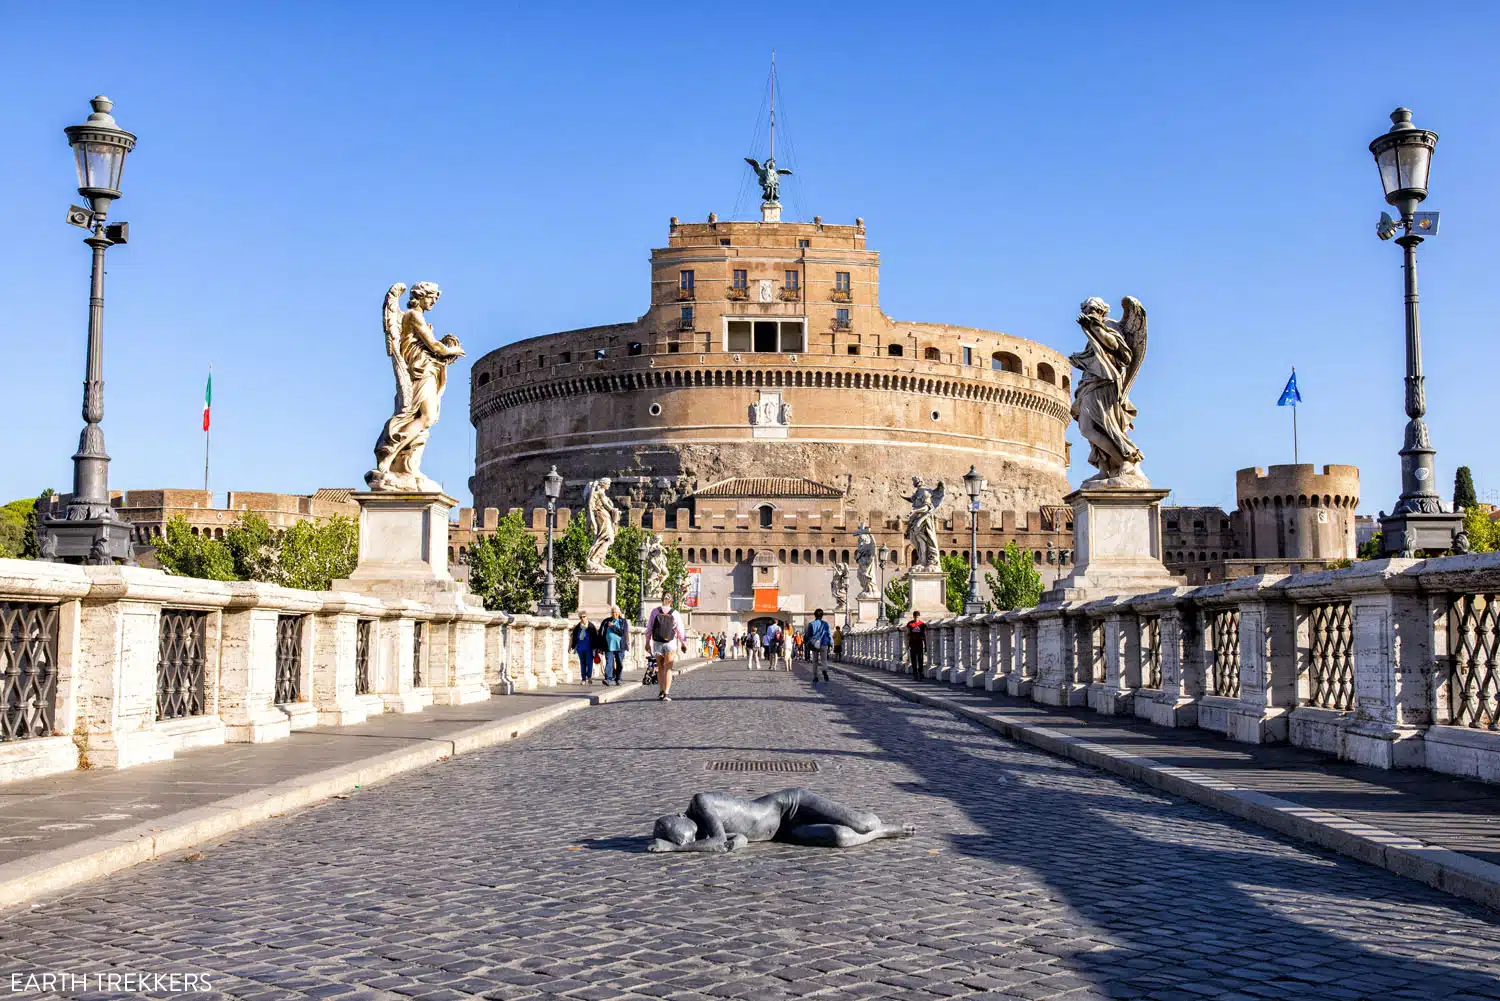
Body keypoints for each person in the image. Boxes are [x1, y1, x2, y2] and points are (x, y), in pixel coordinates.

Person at [649, 788, 915, 853]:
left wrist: (675, 849)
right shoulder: (700, 832)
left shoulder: (701, 802)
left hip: (789, 804)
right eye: (689, 838)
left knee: (862, 824)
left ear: (681, 815)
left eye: (690, 833)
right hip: (779, 832)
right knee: (841, 838)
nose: (694, 836)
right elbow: (737, 840)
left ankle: (882, 826)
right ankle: (882, 833)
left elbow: (719, 842)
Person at [646, 594, 687, 702]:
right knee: (668, 668)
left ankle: (661, 690)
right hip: (670, 642)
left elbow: (649, 628)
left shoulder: (655, 611)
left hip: (657, 642)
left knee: (660, 667)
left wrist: (647, 642)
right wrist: (683, 643)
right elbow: (680, 630)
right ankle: (666, 693)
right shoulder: (675, 613)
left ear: (661, 599)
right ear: (671, 601)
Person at [570, 611, 603, 684]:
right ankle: (583, 679)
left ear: (587, 617)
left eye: (584, 616)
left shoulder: (591, 626)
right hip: (580, 648)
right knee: (582, 663)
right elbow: (572, 636)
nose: (582, 618)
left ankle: (589, 676)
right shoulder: (577, 627)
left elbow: (596, 637)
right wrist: (570, 646)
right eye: (580, 617)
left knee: (589, 663)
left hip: (589, 648)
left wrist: (597, 648)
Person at [601, 605, 630, 685]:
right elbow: (601, 633)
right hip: (608, 646)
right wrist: (600, 646)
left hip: (620, 646)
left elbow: (622, 633)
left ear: (619, 613)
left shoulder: (623, 622)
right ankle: (608, 679)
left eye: (616, 612)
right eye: (613, 612)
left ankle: (618, 678)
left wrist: (613, 626)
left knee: (619, 663)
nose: (614, 614)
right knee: (609, 662)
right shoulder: (606, 621)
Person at [805, 608, 832, 683]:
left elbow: (808, 635)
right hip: (824, 643)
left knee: (815, 661)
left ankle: (815, 677)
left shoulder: (811, 624)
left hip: (815, 644)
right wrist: (831, 643)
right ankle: (824, 670)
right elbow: (829, 634)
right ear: (822, 616)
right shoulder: (825, 624)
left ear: (815, 615)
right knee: (824, 660)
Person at [905, 609, 927, 679]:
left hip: (920, 643)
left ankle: (921, 672)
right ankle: (915, 673)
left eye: (917, 617)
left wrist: (925, 645)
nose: (916, 618)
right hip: (912, 643)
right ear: (913, 617)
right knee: (913, 659)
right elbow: (907, 634)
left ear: (919, 617)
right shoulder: (910, 624)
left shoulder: (922, 625)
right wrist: (907, 644)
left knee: (920, 659)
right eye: (915, 617)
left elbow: (924, 636)